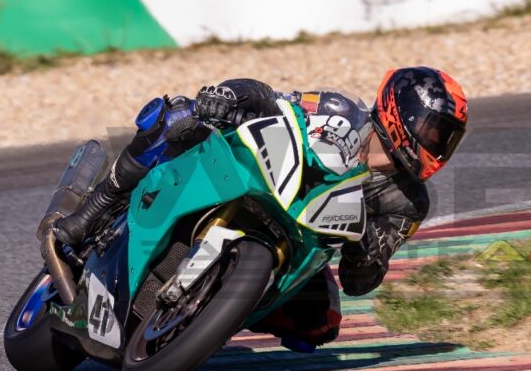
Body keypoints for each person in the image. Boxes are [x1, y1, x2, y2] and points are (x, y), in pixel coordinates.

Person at [53, 67, 468, 351]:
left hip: (301, 243)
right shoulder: (338, 108)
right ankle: (94, 210)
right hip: (262, 183)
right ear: (402, 112)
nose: (437, 146)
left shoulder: (408, 202)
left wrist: (367, 252)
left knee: (321, 324)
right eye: (434, 131)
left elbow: (359, 282)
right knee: (177, 115)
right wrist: (230, 98)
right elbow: (273, 101)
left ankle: (208, 314)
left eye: (446, 140)